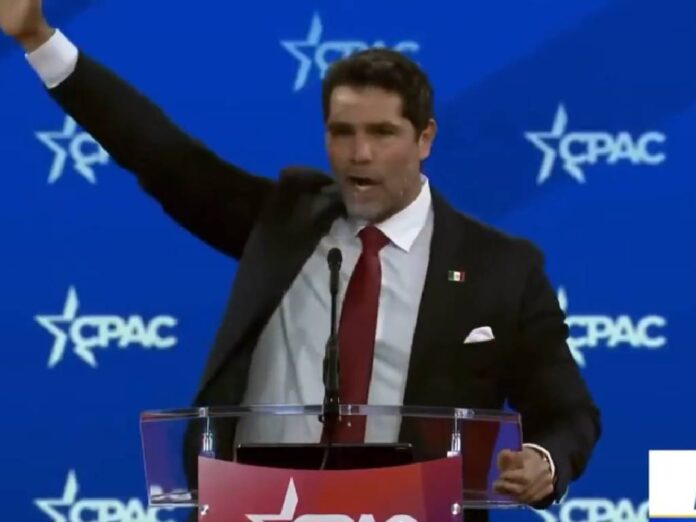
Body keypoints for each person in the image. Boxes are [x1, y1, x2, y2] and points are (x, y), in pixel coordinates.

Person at [1, 0, 600, 515]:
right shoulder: (284, 221)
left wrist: (545, 461)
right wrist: (39, 40)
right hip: (255, 509)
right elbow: (161, 154)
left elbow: (569, 412)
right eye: (342, 132)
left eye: (382, 133)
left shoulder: (501, 268)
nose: (359, 154)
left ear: (425, 138)